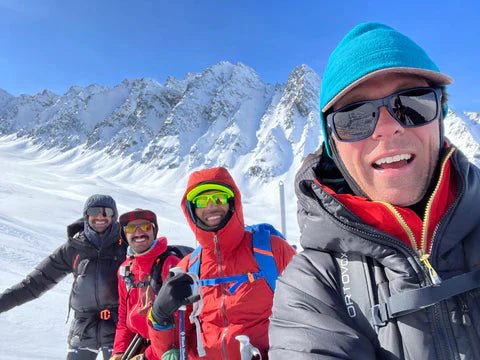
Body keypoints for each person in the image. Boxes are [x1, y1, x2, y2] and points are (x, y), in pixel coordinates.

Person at [268, 22, 480, 360]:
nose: (387, 128)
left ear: (440, 116)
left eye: (413, 103)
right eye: (354, 117)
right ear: (333, 146)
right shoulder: (313, 287)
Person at [148, 166, 296, 359]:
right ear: (192, 209)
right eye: (202, 201)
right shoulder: (188, 269)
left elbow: (311, 311)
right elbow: (173, 349)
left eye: (219, 198)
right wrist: (159, 316)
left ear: (232, 202)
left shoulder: (272, 250)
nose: (211, 206)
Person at [0, 194, 126, 359]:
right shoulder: (73, 248)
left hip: (119, 329)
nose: (100, 217)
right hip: (83, 330)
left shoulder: (126, 244)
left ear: (114, 216)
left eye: (106, 212)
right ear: (86, 215)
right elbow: (35, 283)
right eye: (94, 211)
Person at [109, 208, 183, 360]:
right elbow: (123, 319)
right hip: (138, 345)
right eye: (130, 228)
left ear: (154, 230)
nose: (138, 233)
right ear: (124, 234)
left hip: (166, 351)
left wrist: (147, 356)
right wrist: (119, 351)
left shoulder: (171, 264)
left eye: (145, 226)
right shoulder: (125, 269)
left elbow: (179, 323)